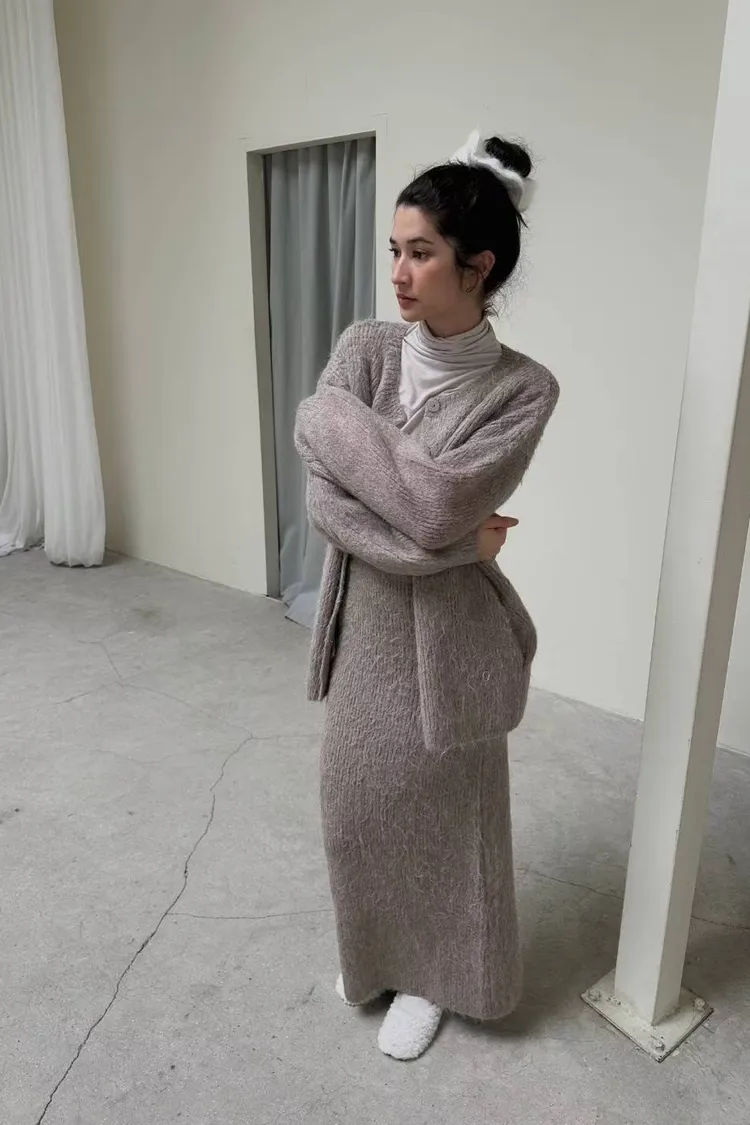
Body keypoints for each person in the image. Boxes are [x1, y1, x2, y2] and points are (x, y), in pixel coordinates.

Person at [295, 130, 559, 1061]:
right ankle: (375, 954)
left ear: (476, 267)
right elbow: (329, 502)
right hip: (365, 625)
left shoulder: (523, 390)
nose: (398, 274)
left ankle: (439, 976)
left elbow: (438, 501)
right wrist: (452, 545)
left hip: (454, 639)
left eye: (421, 253)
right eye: (394, 250)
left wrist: (361, 452)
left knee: (446, 814)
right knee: (357, 803)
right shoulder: (366, 348)